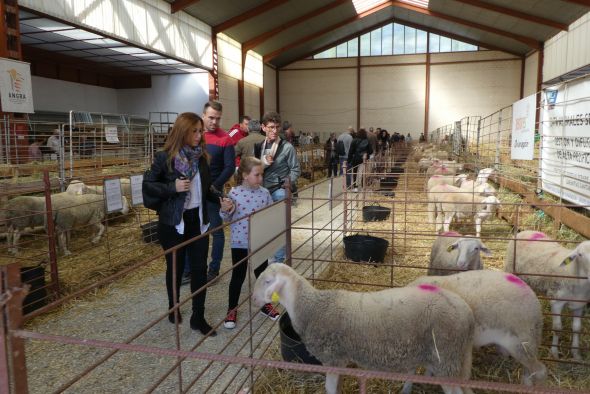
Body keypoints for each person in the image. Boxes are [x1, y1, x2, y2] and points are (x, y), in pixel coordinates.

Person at [142, 112, 217, 336]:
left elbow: (207, 188)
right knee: (174, 268)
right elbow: (148, 186)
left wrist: (221, 199)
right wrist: (171, 188)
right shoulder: (164, 158)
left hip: (198, 221)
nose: (199, 135)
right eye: (194, 130)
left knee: (199, 270)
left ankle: (198, 317)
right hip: (173, 224)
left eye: (200, 130)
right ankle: (173, 307)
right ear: (182, 131)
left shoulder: (202, 157)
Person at [219, 157, 280, 329]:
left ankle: (265, 304)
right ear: (245, 175)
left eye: (262, 174)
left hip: (259, 241)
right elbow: (225, 217)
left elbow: (270, 215)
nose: (261, 178)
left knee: (262, 274)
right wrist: (225, 209)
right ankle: (232, 309)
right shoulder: (234, 194)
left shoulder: (265, 193)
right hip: (240, 242)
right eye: (257, 175)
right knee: (238, 276)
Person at [254, 111, 301, 263]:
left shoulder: (287, 147)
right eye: (271, 127)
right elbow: (253, 168)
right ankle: (262, 259)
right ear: (263, 127)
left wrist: (286, 184)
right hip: (262, 191)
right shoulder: (258, 146)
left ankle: (279, 261)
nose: (274, 130)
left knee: (279, 228)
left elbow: (295, 169)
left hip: (280, 191)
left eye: (277, 127)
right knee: (264, 227)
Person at [202, 101, 235, 283]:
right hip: (194, 192)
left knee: (216, 230)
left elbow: (229, 167)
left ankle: (214, 269)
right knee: (195, 231)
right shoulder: (195, 135)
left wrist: (215, 186)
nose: (214, 122)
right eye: (211, 117)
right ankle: (191, 269)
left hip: (213, 191)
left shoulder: (225, 139)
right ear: (203, 115)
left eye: (218, 118)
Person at [347, 128, 373, 192]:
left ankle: (355, 187)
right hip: (363, 159)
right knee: (362, 172)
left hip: (355, 158)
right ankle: (361, 186)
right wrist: (366, 153)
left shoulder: (354, 140)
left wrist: (349, 160)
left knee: (355, 172)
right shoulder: (367, 141)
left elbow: (351, 151)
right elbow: (371, 151)